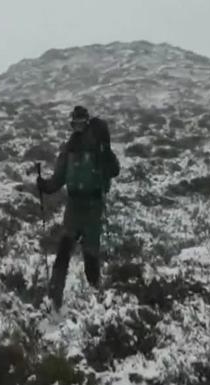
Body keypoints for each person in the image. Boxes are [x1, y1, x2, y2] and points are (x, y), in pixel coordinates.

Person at [36, 105, 120, 310]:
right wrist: (44, 185)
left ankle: (96, 302)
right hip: (74, 207)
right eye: (74, 123)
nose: (77, 127)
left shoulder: (99, 147)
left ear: (87, 122)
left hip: (92, 207)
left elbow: (115, 170)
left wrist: (106, 151)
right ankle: (54, 299)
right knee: (63, 252)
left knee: (91, 256)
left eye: (81, 123)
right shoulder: (68, 149)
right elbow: (58, 180)